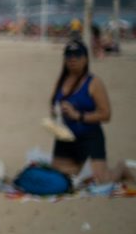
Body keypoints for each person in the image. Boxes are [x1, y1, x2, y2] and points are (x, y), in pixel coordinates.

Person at [50, 40, 132, 184]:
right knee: (60, 178)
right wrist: (55, 112)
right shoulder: (62, 81)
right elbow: (54, 105)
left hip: (89, 137)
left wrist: (79, 115)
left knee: (101, 180)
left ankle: (121, 168)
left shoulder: (93, 82)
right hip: (65, 137)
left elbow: (106, 114)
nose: (73, 59)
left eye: (77, 55)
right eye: (69, 55)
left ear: (86, 58)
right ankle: (78, 166)